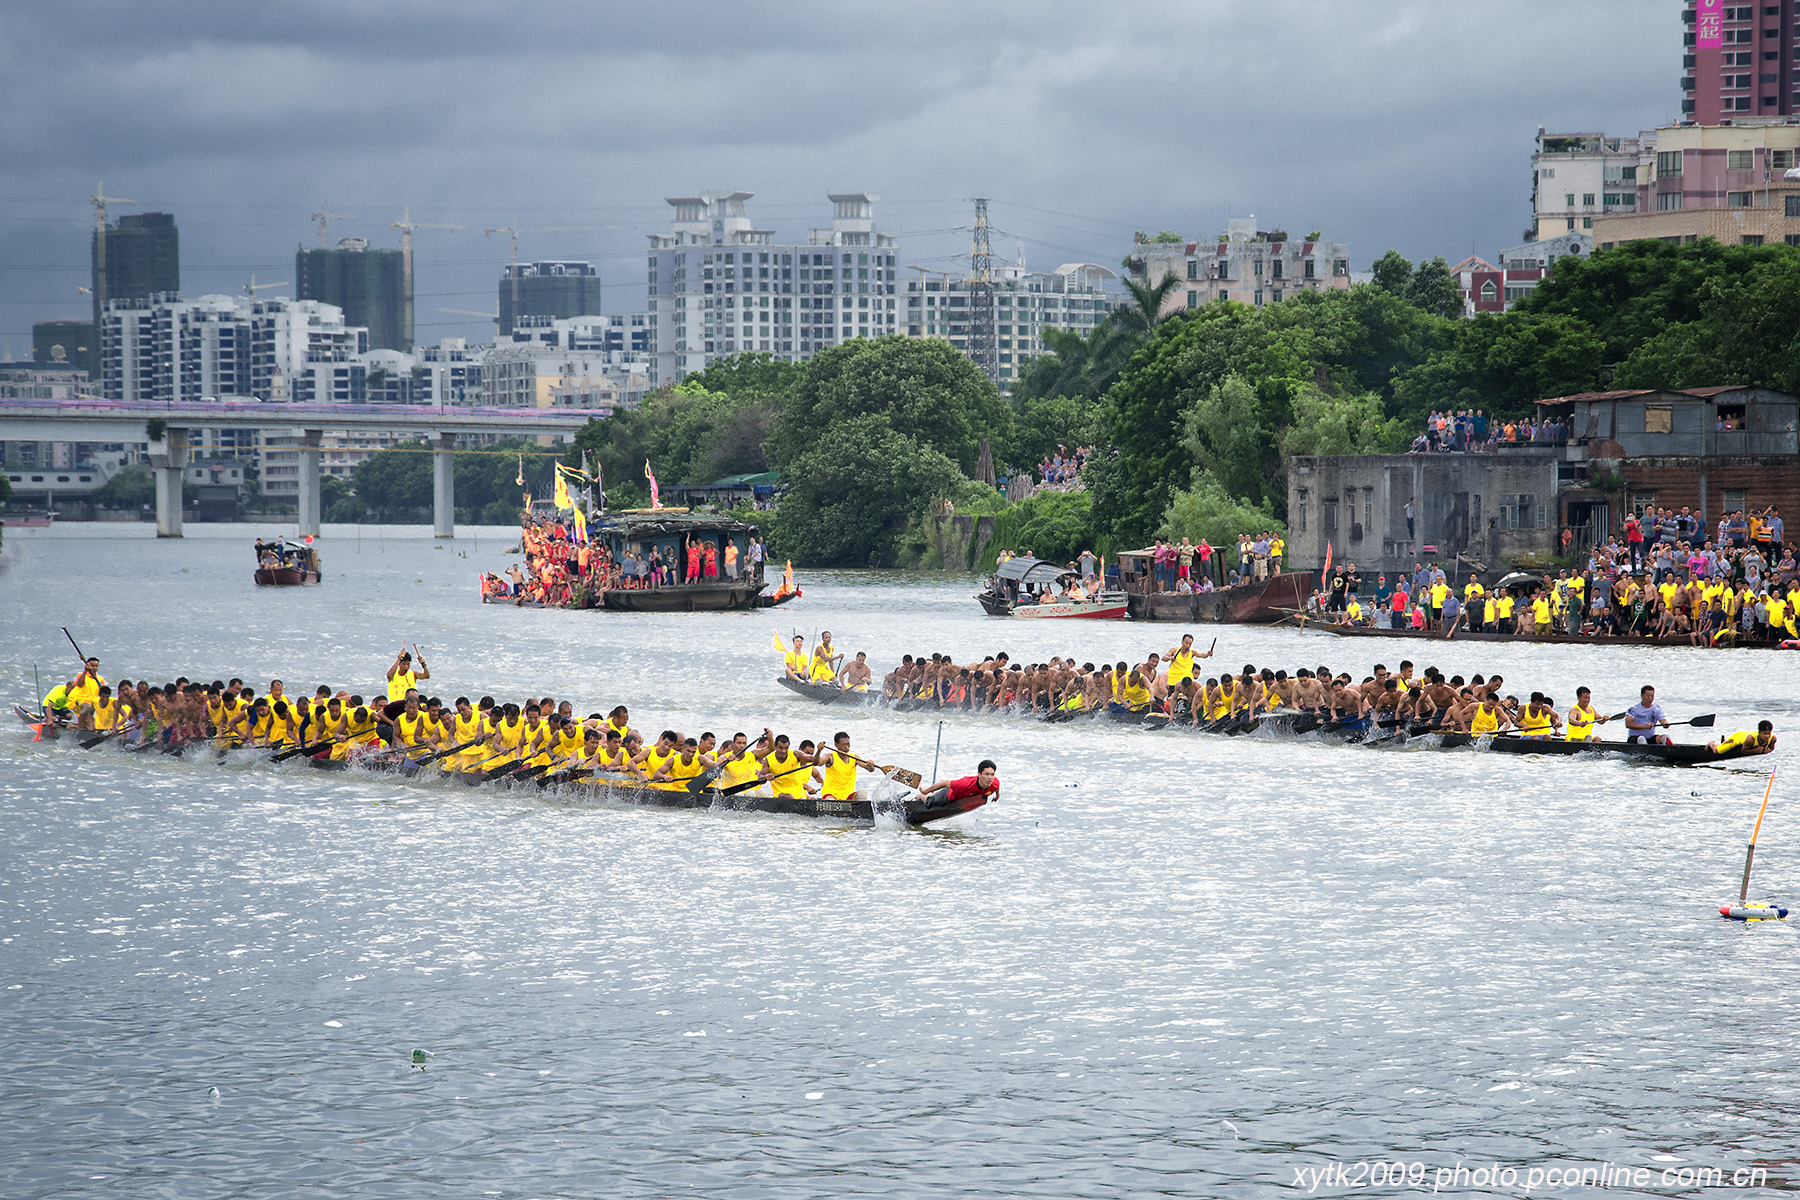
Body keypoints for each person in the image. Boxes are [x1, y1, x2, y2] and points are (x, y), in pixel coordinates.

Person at [915, 759, 1000, 808]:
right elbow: (945, 783)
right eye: (987, 774)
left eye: (992, 774)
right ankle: (922, 796)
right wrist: (925, 791)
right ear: (979, 774)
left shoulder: (994, 783)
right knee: (929, 803)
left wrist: (997, 796)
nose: (990, 778)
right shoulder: (965, 784)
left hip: (960, 800)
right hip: (948, 795)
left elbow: (997, 787)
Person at [1709, 720, 1777, 756]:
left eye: (1769, 733)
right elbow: (1744, 751)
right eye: (1764, 734)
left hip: (1746, 735)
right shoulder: (1750, 739)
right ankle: (1712, 744)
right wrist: (1755, 751)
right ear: (1759, 733)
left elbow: (1771, 748)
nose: (1767, 736)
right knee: (1717, 751)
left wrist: (1768, 750)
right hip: (1737, 738)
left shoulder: (1773, 739)